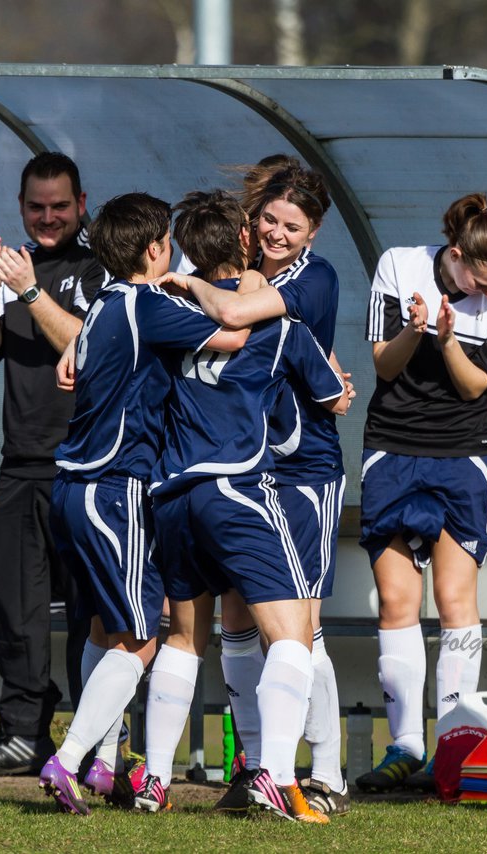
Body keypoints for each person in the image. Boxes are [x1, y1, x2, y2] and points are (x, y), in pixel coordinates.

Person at [143, 189, 352, 823]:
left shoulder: (312, 279)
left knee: (285, 626)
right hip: (246, 479)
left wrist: (182, 282)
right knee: (257, 627)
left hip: (294, 475)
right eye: (266, 220)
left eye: (292, 224)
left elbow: (235, 313)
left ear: (312, 231)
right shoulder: (261, 314)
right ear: (245, 229)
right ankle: (264, 767)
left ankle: (327, 771)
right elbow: (333, 391)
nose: (276, 232)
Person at [37, 192, 249, 815]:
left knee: (106, 627)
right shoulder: (145, 304)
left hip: (72, 486)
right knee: (140, 638)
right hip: (114, 487)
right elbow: (233, 334)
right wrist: (216, 287)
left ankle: (104, 764)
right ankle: (69, 758)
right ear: (157, 250)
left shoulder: (103, 302)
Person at [357, 193, 487, 792]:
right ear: (454, 256)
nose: (486, 291)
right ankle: (403, 745)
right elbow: (382, 366)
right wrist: (415, 328)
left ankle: (454, 743)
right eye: (476, 280)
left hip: (463, 456)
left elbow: (477, 387)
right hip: (393, 449)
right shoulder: (399, 265)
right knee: (397, 601)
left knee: (455, 598)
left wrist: (450, 339)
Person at [0, 152, 107, 775]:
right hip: (20, 465)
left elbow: (91, 343)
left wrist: (28, 290)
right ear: (21, 207)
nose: (48, 218)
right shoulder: (14, 267)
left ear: (80, 205)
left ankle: (93, 740)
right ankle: (23, 730)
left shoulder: (101, 267)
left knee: (90, 612)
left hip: (89, 466)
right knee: (12, 606)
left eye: (60, 206)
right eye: (36, 207)